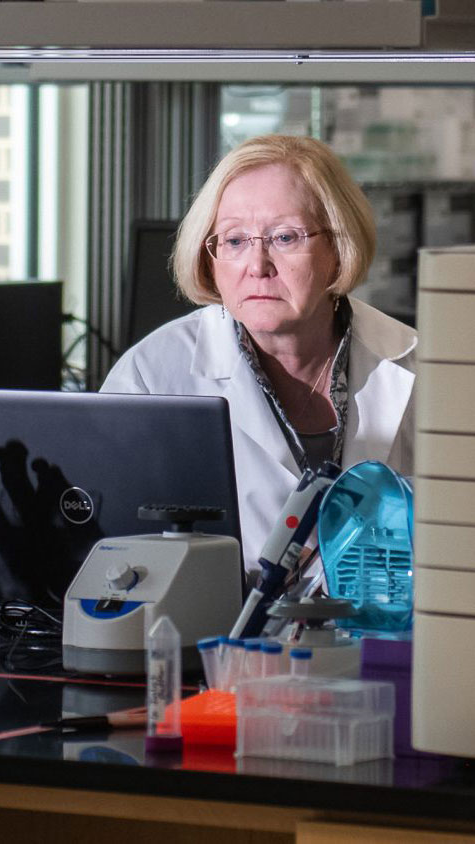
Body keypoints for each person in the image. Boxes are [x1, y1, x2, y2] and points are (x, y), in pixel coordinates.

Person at [101, 134, 417, 576]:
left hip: (383, 637)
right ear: (209, 256)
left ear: (338, 246)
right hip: (208, 632)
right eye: (234, 241)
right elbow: (108, 546)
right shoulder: (151, 375)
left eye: (285, 237)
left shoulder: (422, 370)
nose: (258, 264)